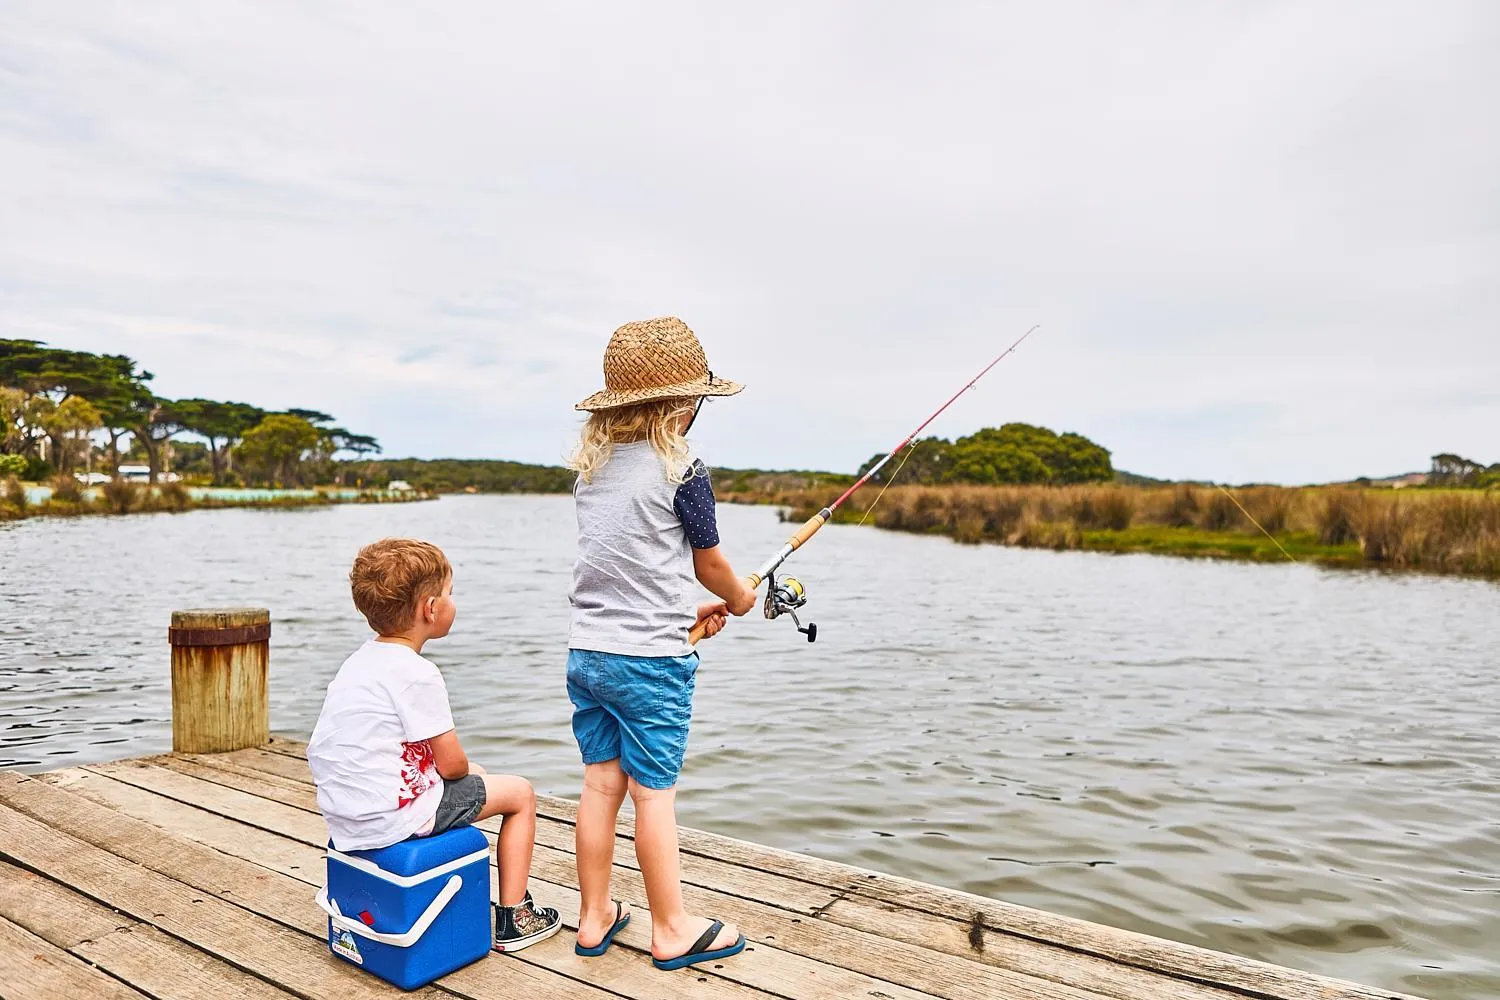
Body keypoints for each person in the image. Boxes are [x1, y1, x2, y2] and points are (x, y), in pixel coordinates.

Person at [565, 316, 759, 970]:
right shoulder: (684, 468)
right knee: (654, 796)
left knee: (599, 786)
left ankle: (593, 919)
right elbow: (709, 564)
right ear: (683, 405)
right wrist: (737, 599)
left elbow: (628, 567)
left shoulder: (591, 470)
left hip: (588, 655)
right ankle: (671, 929)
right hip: (650, 665)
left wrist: (685, 616)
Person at [307, 537, 563, 952]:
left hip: (347, 818)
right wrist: (467, 772)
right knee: (520, 794)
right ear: (430, 609)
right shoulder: (416, 673)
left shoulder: (359, 662)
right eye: (449, 593)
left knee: (478, 776)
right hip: (393, 818)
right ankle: (515, 916)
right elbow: (451, 765)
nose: (452, 601)